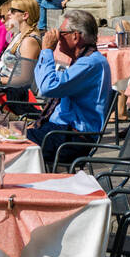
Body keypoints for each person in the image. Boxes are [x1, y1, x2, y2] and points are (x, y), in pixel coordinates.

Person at [27, 10, 112, 168]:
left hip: (74, 137)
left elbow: (47, 87)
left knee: (15, 145)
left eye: (61, 33)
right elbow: (44, 84)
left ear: (75, 36)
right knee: (10, 138)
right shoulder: (83, 60)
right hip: (61, 130)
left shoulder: (90, 63)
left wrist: (46, 51)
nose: (58, 39)